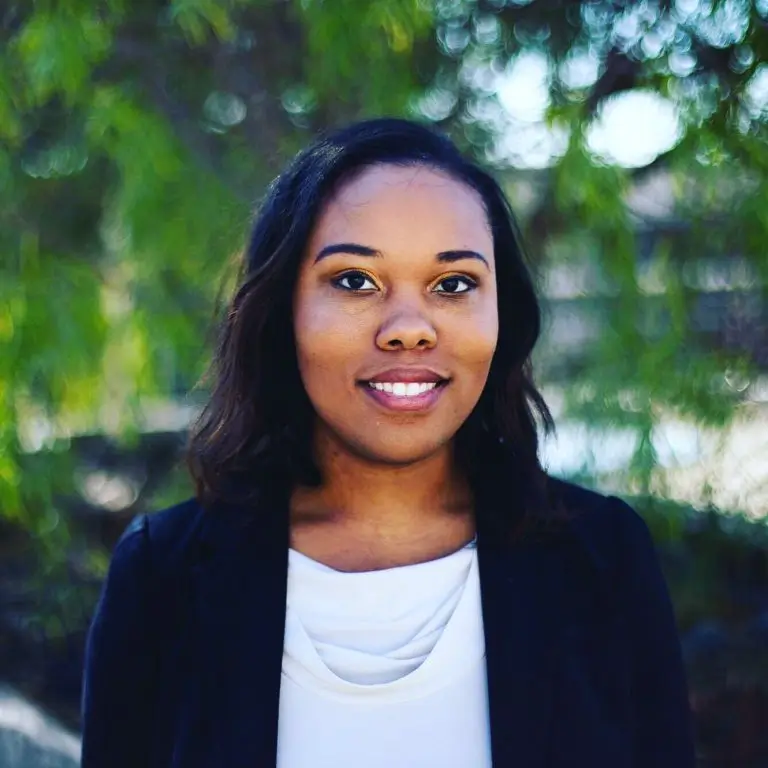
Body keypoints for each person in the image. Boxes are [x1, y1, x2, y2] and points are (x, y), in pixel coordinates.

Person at [79, 117, 696, 767]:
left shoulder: (604, 559)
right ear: (282, 309)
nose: (409, 329)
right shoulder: (162, 577)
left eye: (453, 285)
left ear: (500, 314)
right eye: (354, 281)